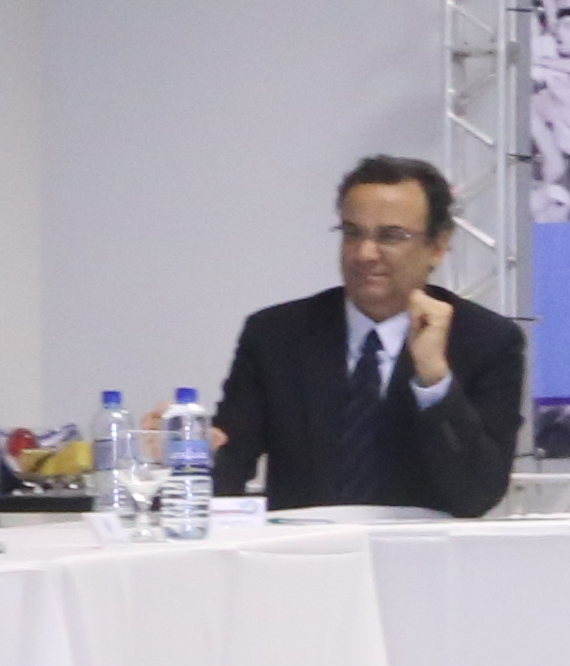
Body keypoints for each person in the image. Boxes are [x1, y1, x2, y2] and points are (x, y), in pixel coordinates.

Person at [205, 155, 528, 517]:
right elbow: (227, 468)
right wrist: (184, 457)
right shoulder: (276, 335)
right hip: (304, 547)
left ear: (437, 247)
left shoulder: (487, 341)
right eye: (352, 233)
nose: (364, 254)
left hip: (424, 548)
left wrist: (435, 382)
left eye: (390, 236)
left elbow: (477, 495)